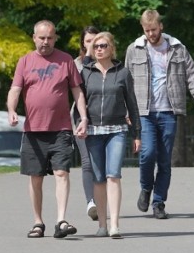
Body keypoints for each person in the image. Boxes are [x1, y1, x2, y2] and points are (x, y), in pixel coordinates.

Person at [125, 9, 194, 219]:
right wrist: (126, 109)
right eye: (147, 30)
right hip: (144, 111)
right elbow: (125, 83)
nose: (151, 34)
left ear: (160, 26)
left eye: (154, 29)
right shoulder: (134, 49)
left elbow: (192, 76)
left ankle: (159, 202)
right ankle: (146, 188)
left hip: (169, 111)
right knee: (147, 154)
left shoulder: (177, 48)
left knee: (164, 160)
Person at [7, 20, 88, 239]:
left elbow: (77, 91)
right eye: (41, 37)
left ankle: (61, 220)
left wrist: (84, 117)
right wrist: (12, 110)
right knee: (36, 176)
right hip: (33, 130)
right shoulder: (25, 61)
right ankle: (37, 222)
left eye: (50, 37)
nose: (45, 42)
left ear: (55, 38)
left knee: (62, 172)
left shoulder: (66, 60)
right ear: (34, 37)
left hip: (60, 128)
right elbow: (15, 90)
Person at [81, 32, 141, 238]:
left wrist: (137, 134)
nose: (98, 49)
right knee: (98, 179)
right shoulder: (86, 73)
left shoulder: (122, 73)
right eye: (95, 45)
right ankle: (102, 225)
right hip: (93, 131)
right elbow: (80, 102)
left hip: (116, 129)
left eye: (103, 45)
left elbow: (132, 105)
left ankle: (115, 225)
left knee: (113, 175)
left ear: (112, 48)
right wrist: (79, 123)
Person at [72, 25, 100, 221]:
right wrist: (89, 57)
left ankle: (102, 200)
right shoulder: (77, 64)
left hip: (103, 117)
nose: (91, 45)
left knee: (101, 163)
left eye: (95, 41)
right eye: (88, 41)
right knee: (87, 161)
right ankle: (91, 202)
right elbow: (81, 85)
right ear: (83, 43)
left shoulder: (108, 62)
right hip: (81, 117)